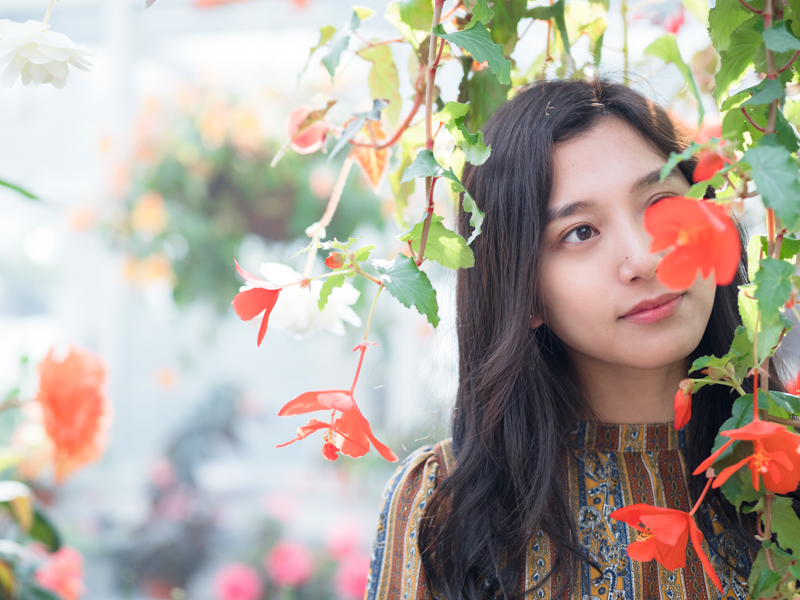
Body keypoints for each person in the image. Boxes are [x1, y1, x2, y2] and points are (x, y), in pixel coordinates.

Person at [362, 78, 793, 600]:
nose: (643, 259)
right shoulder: (442, 507)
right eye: (580, 232)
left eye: (660, 204)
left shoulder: (784, 467)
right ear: (525, 294)